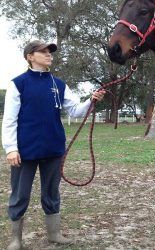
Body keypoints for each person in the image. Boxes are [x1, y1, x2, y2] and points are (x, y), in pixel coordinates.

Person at [2, 40, 106, 250]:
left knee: (51, 193)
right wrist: (11, 148)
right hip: (24, 152)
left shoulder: (58, 84)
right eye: (43, 51)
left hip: (53, 149)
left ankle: (54, 234)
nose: (49, 54)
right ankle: (16, 239)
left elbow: (75, 111)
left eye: (50, 51)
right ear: (30, 56)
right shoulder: (18, 83)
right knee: (20, 195)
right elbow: (10, 120)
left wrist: (91, 100)